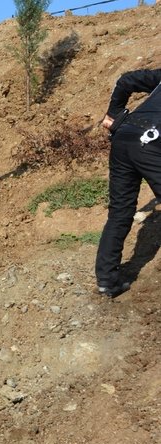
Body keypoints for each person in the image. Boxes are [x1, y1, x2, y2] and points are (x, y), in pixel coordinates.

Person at [96, 68, 161, 297]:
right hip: (151, 141)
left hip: (123, 138)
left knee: (120, 212)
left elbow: (125, 80)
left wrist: (113, 114)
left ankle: (106, 280)